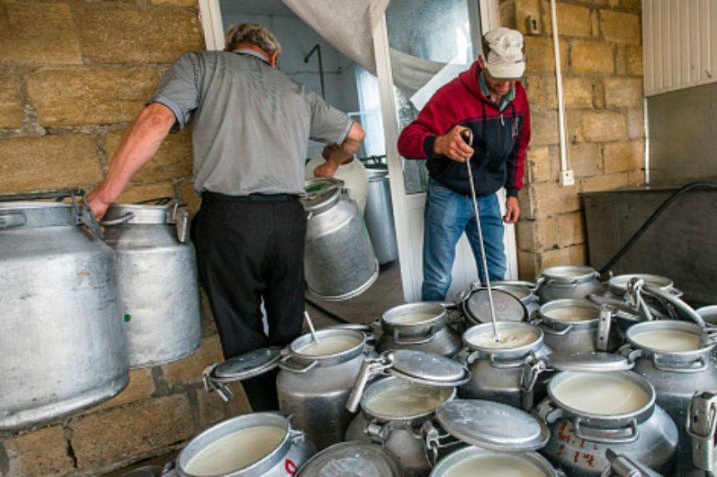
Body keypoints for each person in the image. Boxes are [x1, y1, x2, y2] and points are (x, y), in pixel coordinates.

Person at [86, 23, 365, 411]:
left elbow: (155, 120)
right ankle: (305, 413)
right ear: (274, 56)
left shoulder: (201, 66)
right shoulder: (296, 91)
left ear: (231, 48)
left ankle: (271, 422)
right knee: (288, 326)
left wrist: (104, 196)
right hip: (287, 219)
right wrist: (331, 164)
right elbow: (354, 134)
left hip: (229, 221)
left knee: (242, 332)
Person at [396, 27, 530, 301]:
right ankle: (431, 338)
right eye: (499, 76)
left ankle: (497, 335)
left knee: (496, 274)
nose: (506, 85)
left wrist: (513, 193)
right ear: (482, 62)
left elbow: (518, 147)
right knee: (438, 278)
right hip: (449, 194)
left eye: (512, 78)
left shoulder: (519, 97)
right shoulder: (451, 96)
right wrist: (440, 144)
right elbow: (406, 141)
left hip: (488, 197)